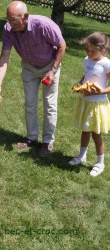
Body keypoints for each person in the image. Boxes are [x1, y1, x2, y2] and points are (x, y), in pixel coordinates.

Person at [0, 1, 66, 157]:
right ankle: (31, 138)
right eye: (8, 20)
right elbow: (4, 57)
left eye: (14, 21)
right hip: (29, 67)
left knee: (49, 104)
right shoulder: (8, 29)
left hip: (49, 67)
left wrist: (53, 70)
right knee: (30, 103)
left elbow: (62, 45)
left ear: (26, 17)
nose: (10, 24)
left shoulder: (44, 25)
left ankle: (47, 142)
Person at [68, 32, 110, 177]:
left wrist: (98, 92)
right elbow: (86, 75)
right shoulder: (87, 60)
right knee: (85, 130)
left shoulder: (106, 63)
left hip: (97, 104)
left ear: (102, 50)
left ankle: (100, 163)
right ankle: (82, 155)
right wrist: (80, 83)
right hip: (85, 100)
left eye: (92, 51)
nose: (89, 53)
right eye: (87, 49)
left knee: (96, 134)